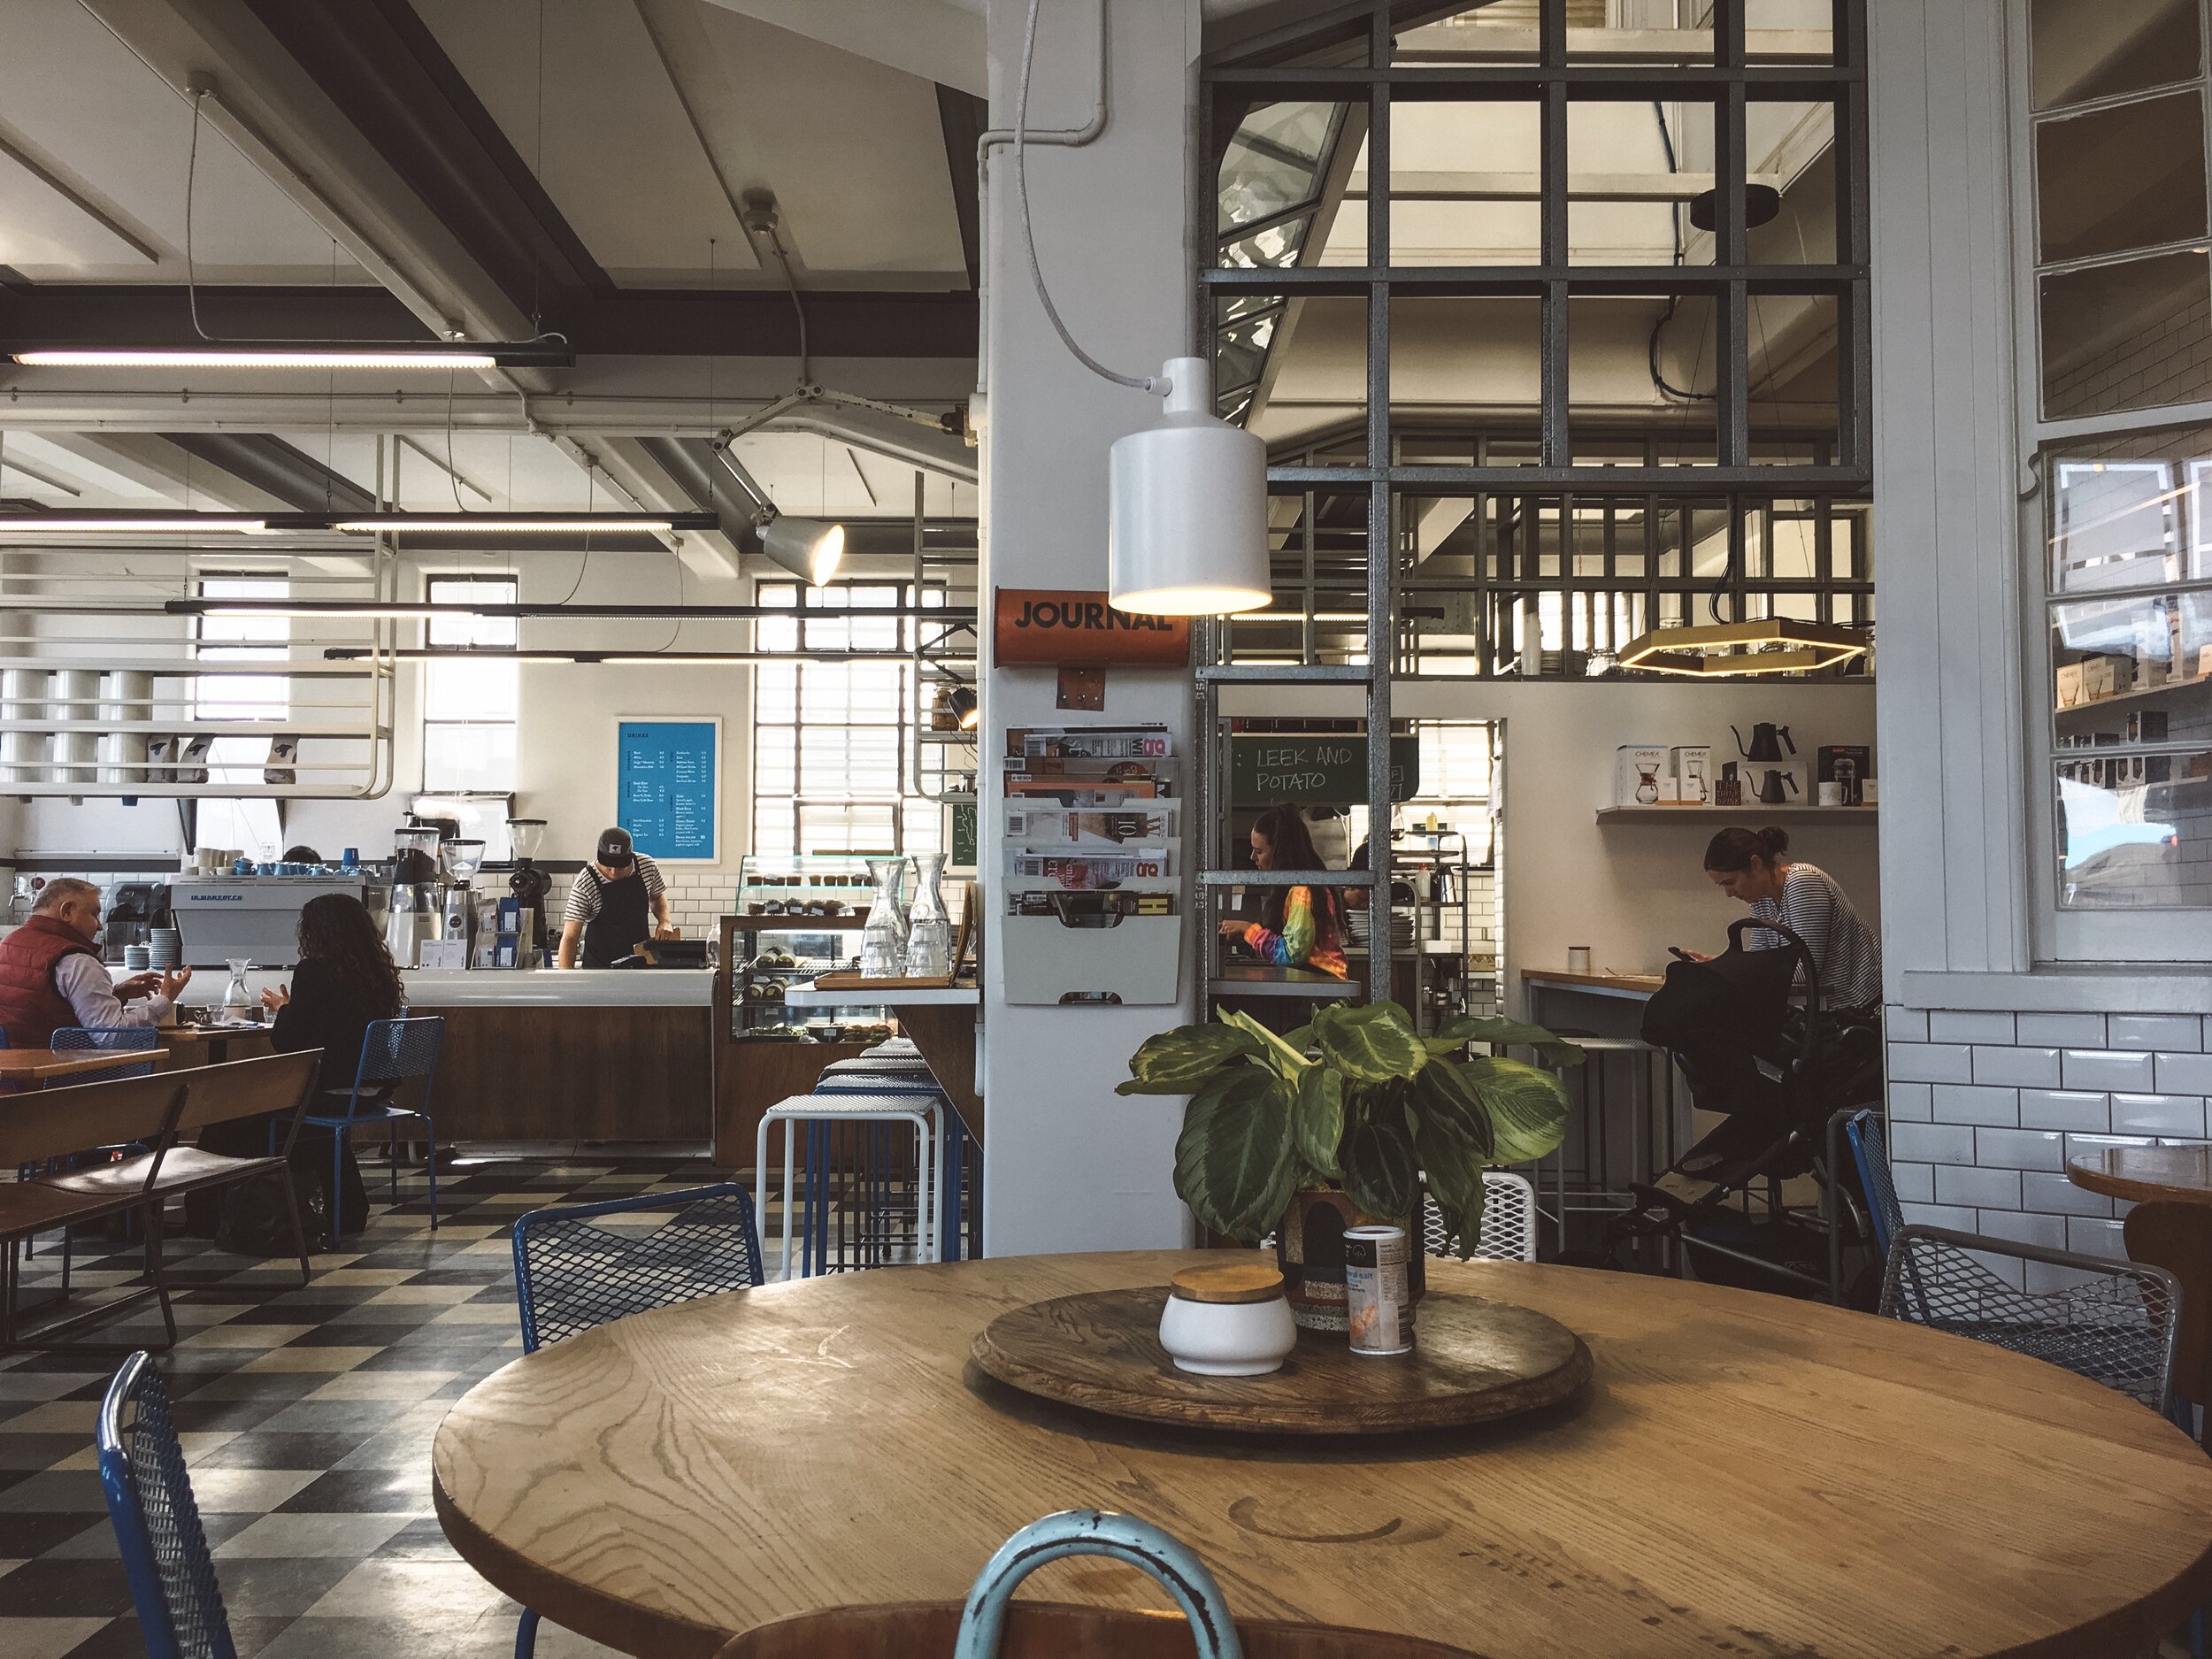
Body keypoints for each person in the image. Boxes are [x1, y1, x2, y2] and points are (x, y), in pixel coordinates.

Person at [196, 892, 402, 1244]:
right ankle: (342, 1207)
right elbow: (334, 1027)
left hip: (332, 1090)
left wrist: (286, 1009)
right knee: (289, 1120)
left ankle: (208, 1215)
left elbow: (287, 1041)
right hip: (372, 1088)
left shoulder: (314, 971)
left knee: (229, 1111)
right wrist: (294, 1007)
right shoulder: (378, 974)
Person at [1698, 825, 1881, 1010]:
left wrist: (1730, 971)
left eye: (1730, 882)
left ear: (1755, 864)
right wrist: (1719, 966)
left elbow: (1805, 970)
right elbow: (1758, 961)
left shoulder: (1802, 882)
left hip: (1861, 1009)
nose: (1729, 893)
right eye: (1722, 886)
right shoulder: (1761, 898)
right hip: (1825, 1010)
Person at [0, 877, 190, 1048]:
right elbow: (112, 1037)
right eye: (94, 914)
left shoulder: (7, 945)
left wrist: (117, 993)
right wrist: (164, 999)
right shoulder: (77, 962)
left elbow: (42, 1008)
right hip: (60, 1080)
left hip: (11, 1080)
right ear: (67, 911)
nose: (99, 925)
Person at [1217, 804, 1349, 979]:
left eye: (1259, 851)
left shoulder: (1303, 892)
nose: (1252, 857)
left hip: (1324, 992)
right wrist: (1243, 939)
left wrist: (1248, 929)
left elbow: (1291, 954)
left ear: (1280, 852)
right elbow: (1277, 951)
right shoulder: (1295, 888)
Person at [557, 827, 678, 968]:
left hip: (639, 962)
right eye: (608, 866)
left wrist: (664, 921)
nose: (614, 872)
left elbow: (657, 897)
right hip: (599, 967)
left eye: (620, 867)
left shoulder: (646, 866)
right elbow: (570, 937)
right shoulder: (586, 882)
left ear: (630, 856)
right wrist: (567, 980)